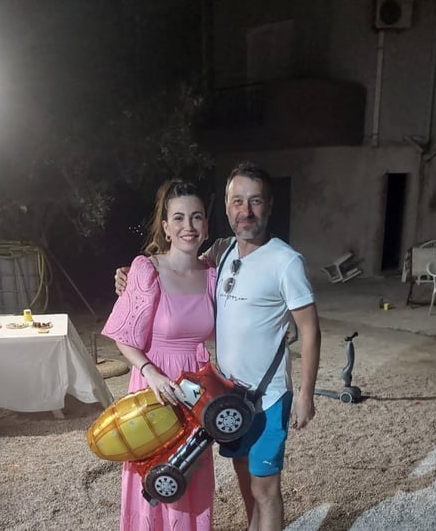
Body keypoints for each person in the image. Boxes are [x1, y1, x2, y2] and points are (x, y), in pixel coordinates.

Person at [115, 162, 321, 531]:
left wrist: (306, 395)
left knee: (264, 489)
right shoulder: (222, 256)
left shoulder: (282, 260)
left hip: (262, 395)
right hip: (216, 393)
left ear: (269, 205)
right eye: (237, 202)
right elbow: (171, 269)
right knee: (228, 478)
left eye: (255, 201)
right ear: (227, 210)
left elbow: (310, 329)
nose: (245, 211)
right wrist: (131, 278)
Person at [103, 179, 216, 531]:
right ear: (166, 228)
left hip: (195, 390)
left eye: (196, 217)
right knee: (155, 475)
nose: (189, 226)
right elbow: (123, 337)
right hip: (155, 386)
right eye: (179, 218)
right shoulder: (146, 270)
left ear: (206, 225)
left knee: (191, 472)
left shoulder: (212, 273)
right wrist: (149, 371)